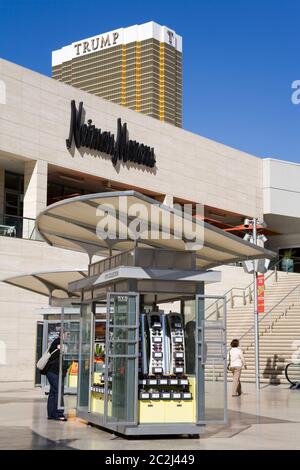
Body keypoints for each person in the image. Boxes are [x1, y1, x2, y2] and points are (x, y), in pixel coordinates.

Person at [44, 336, 68, 421]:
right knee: (58, 391)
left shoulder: (58, 342)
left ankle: (51, 414)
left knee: (53, 392)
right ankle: (58, 414)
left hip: (52, 371)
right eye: (67, 334)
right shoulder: (58, 342)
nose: (69, 336)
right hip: (53, 371)